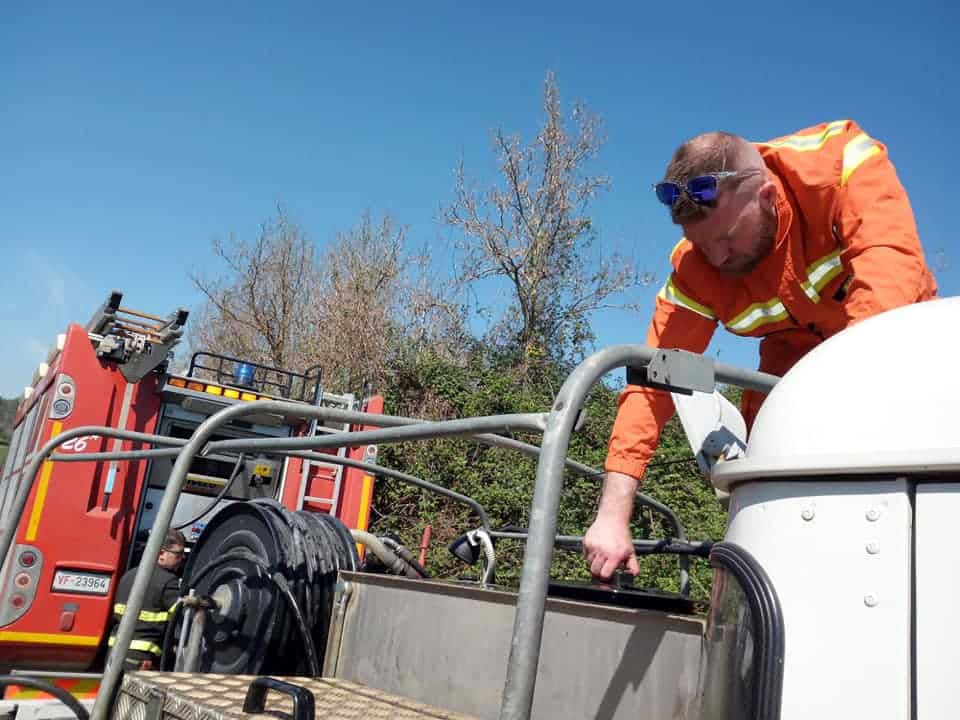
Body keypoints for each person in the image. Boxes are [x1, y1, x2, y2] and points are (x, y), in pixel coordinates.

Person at [584, 120, 937, 580]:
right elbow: (655, 379)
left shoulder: (841, 165)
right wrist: (613, 515)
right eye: (700, 244)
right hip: (787, 363)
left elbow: (888, 282)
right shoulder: (695, 268)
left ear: (767, 197)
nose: (718, 258)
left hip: (892, 352)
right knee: (770, 450)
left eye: (727, 238)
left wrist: (841, 421)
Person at [108, 528, 185, 670]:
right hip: (141, 657)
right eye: (178, 554)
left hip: (114, 650)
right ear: (161, 553)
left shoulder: (129, 575)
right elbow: (183, 615)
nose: (182, 559)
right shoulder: (168, 581)